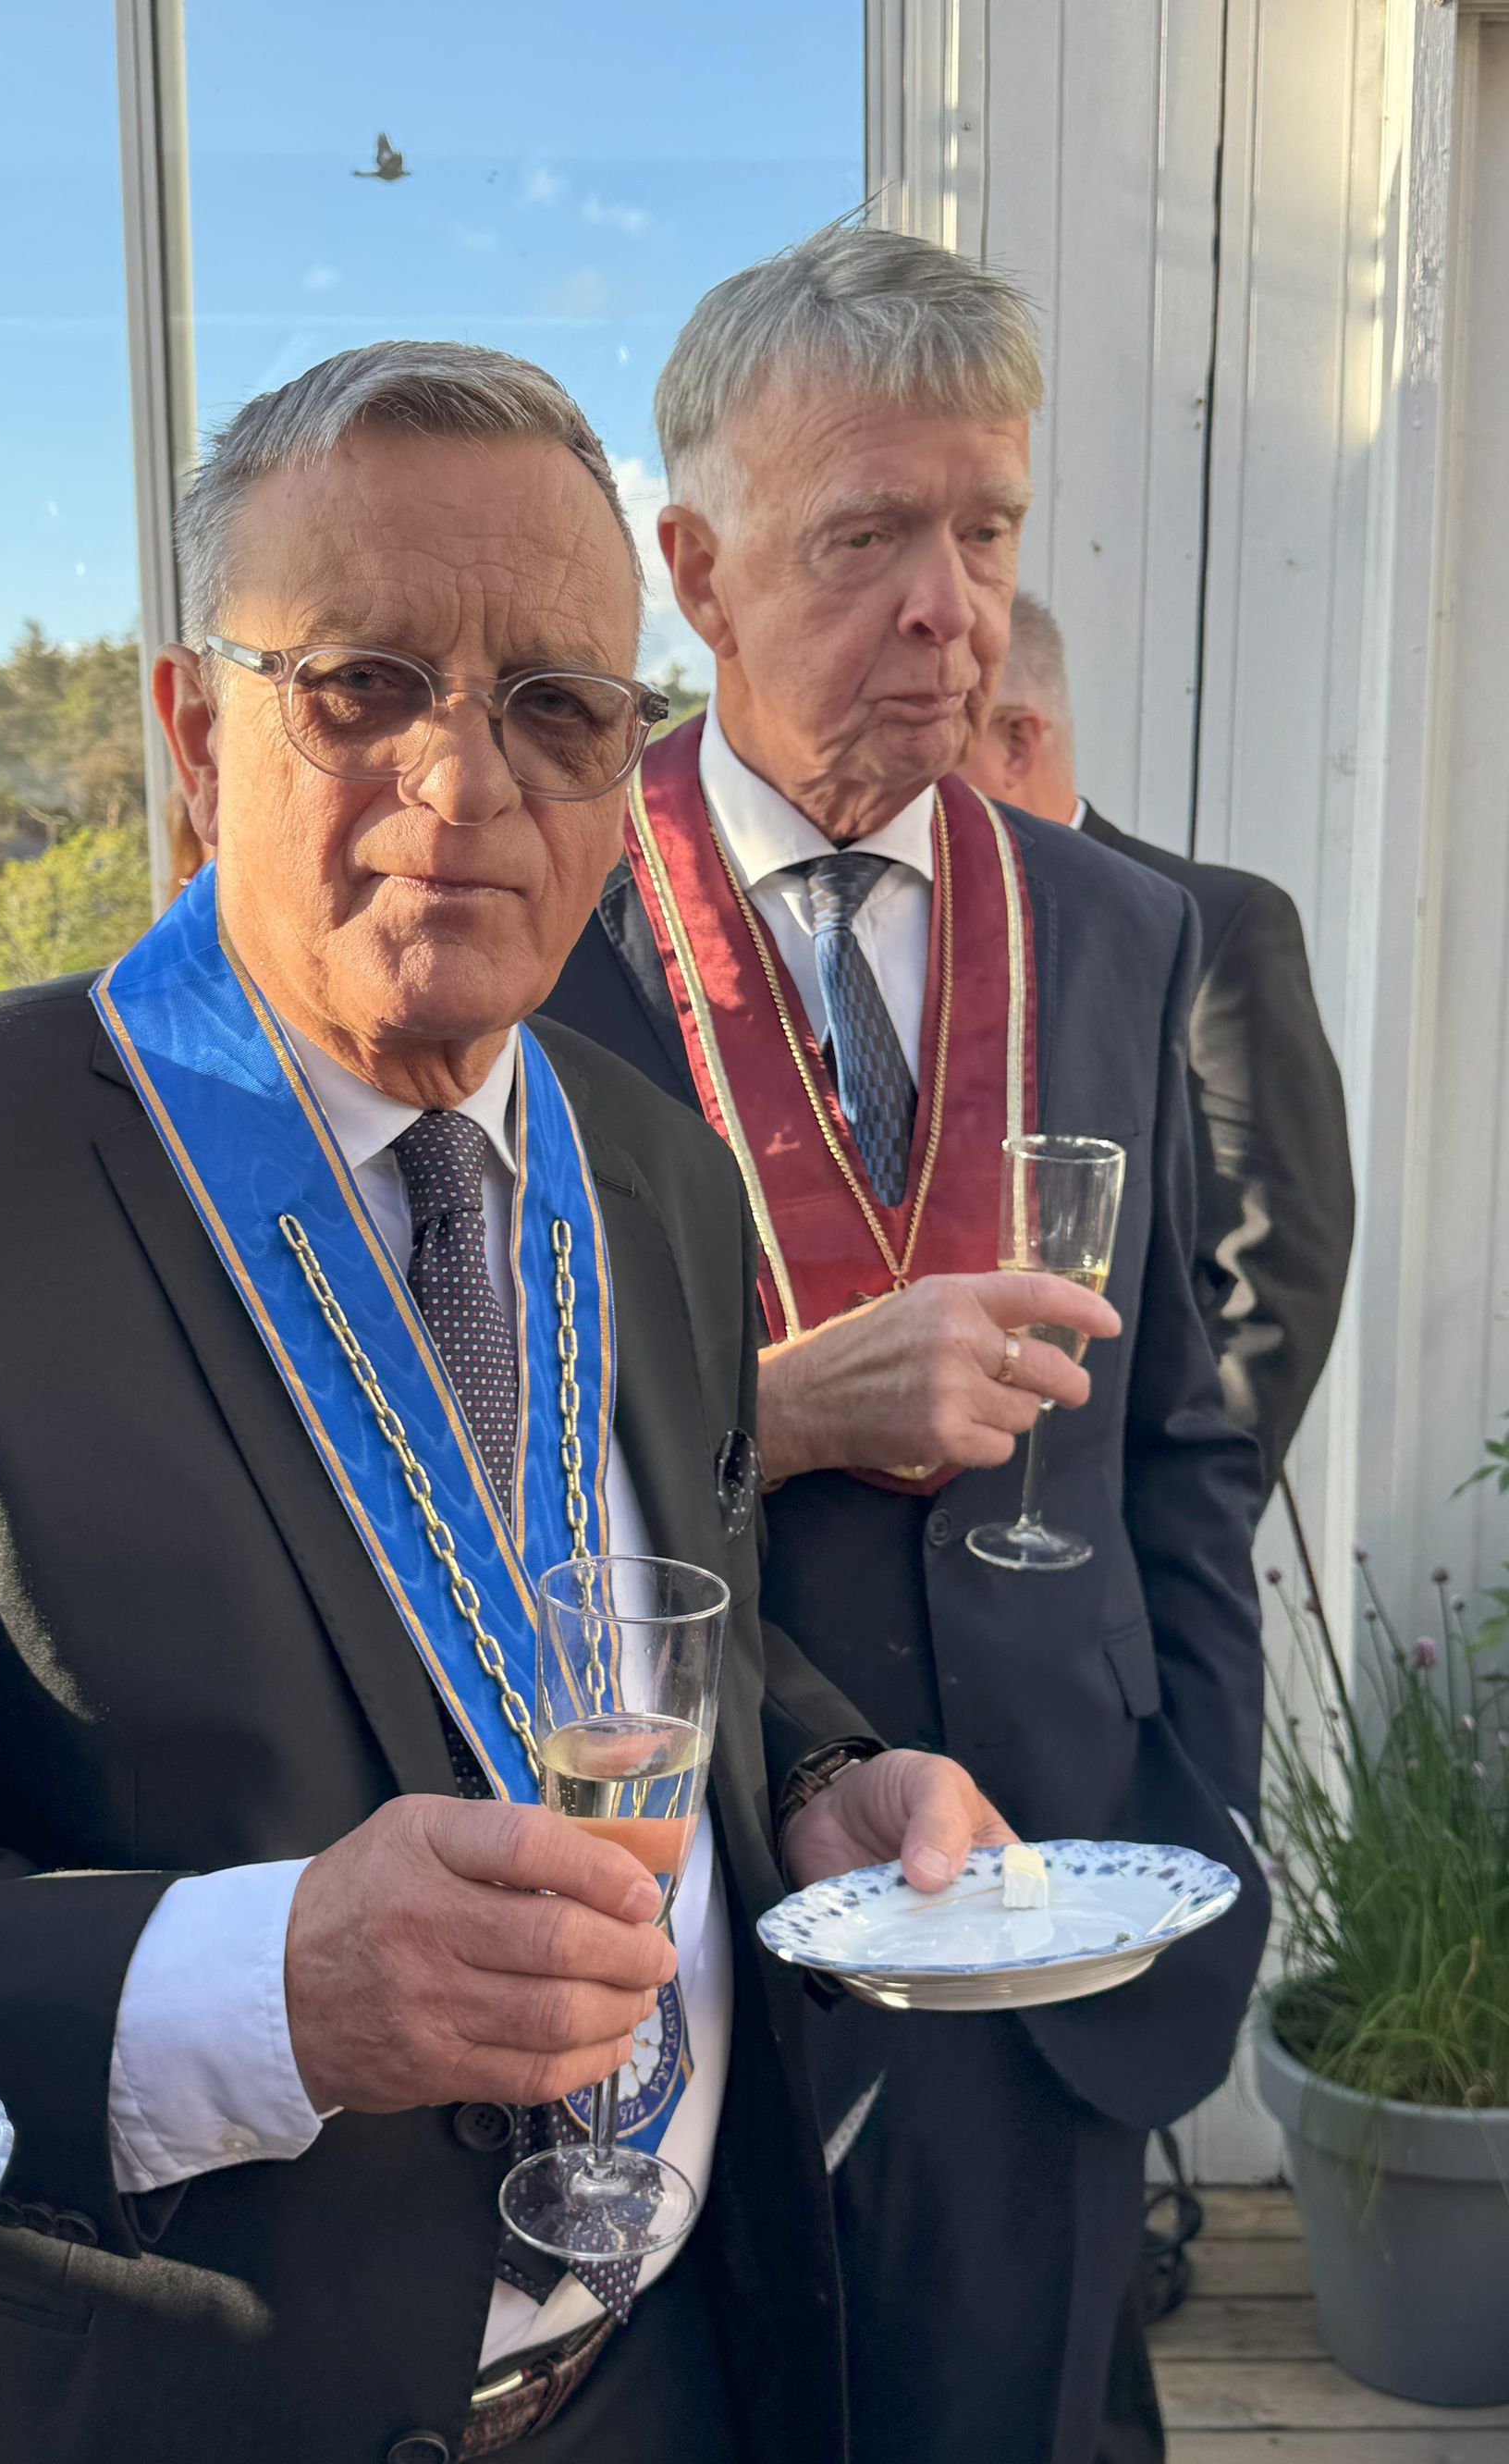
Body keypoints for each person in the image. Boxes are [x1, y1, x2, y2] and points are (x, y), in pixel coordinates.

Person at [0, 339, 1021, 2464]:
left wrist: (816, 1771)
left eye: (556, 706)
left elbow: (628, 1600)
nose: (464, 778)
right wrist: (255, 1986)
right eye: (360, 684)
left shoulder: (654, 1170)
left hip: (675, 2375)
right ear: (192, 731)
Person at [540, 225, 1270, 2464]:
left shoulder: (1124, 929)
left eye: (989, 529)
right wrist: (769, 1416)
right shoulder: (540, 928)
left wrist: (1196, 1803)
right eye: (868, 535)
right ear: (696, 570)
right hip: (686, 1886)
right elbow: (444, 1432)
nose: (949, 605)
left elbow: (1186, 1436)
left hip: (1051, 1892)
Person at [958, 591, 1354, 1492]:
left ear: (1017, 741)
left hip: (1123, 1518)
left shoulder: (1215, 922)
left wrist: (1188, 1521)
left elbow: (1277, 1268)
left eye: (937, 735)